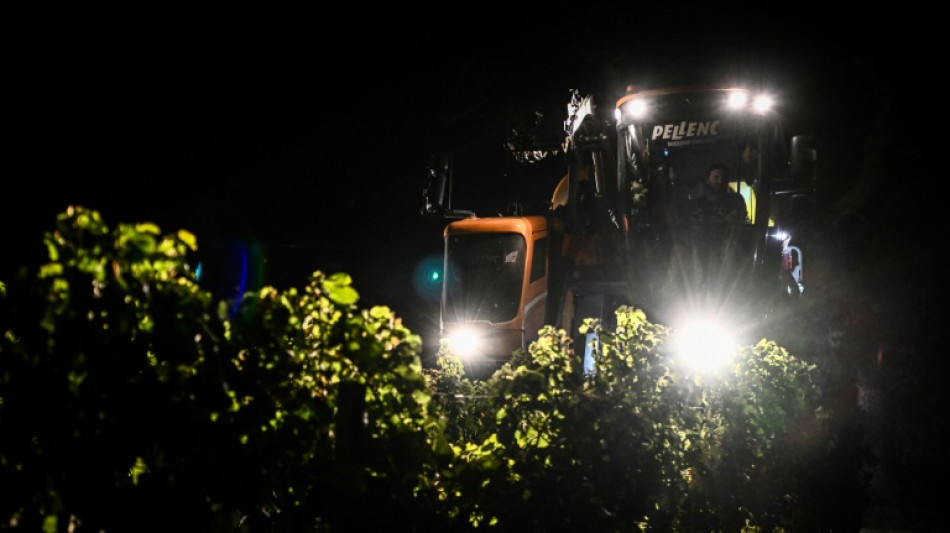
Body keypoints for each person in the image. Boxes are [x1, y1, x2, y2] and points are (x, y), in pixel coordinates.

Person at [683, 163, 749, 290]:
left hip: (727, 244)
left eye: (723, 178)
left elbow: (736, 222)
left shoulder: (736, 200)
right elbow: (692, 224)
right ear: (708, 180)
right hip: (702, 245)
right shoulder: (696, 204)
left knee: (730, 249)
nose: (720, 181)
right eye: (716, 177)